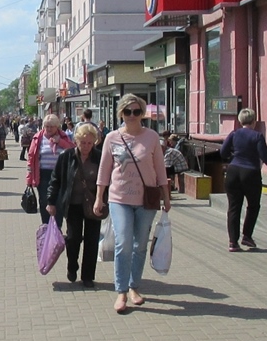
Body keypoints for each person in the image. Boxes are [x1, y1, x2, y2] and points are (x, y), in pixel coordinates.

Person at [95, 94, 170, 314]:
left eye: (136, 112)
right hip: (119, 199)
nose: (132, 116)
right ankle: (121, 291)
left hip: (146, 200)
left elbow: (160, 169)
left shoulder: (151, 137)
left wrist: (166, 196)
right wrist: (99, 197)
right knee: (124, 243)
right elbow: (104, 170)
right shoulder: (112, 138)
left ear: (142, 114)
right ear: (121, 113)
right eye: (128, 111)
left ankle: (134, 286)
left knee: (140, 245)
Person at [46, 123, 103, 288]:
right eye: (83, 142)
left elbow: (107, 180)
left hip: (93, 205)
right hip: (73, 204)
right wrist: (51, 201)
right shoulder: (66, 156)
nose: (86, 146)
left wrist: (104, 200)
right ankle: (72, 266)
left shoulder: (99, 157)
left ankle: (88, 276)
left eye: (90, 143)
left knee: (92, 240)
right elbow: (55, 180)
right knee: (73, 238)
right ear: (76, 141)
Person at [220, 108, 267, 253]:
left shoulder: (234, 134)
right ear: (254, 121)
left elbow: (223, 152)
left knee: (234, 208)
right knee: (253, 205)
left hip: (233, 172)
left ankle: (233, 242)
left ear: (240, 121)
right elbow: (266, 157)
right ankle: (247, 236)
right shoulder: (257, 136)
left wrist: (233, 157)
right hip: (251, 174)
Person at [27, 114, 75, 226]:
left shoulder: (63, 137)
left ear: (57, 126)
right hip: (43, 174)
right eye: (46, 126)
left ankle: (57, 228)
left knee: (58, 203)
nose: (48, 129)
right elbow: (31, 158)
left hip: (60, 175)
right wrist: (29, 178)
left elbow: (73, 150)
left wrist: (60, 142)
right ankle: (46, 227)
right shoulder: (38, 138)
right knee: (45, 202)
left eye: (51, 127)